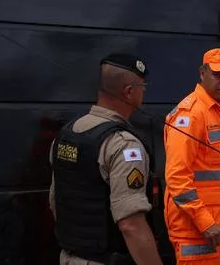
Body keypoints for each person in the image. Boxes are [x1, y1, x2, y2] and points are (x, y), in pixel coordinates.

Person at [49, 54, 163, 265]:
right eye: (142, 86)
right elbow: (131, 225)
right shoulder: (123, 144)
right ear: (129, 92)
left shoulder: (66, 134)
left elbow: (56, 201)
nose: (145, 91)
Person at [164, 48, 220, 264]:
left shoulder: (218, 110)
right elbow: (177, 178)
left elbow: (212, 173)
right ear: (202, 73)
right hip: (194, 228)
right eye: (218, 75)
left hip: (210, 225)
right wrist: (205, 221)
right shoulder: (191, 114)